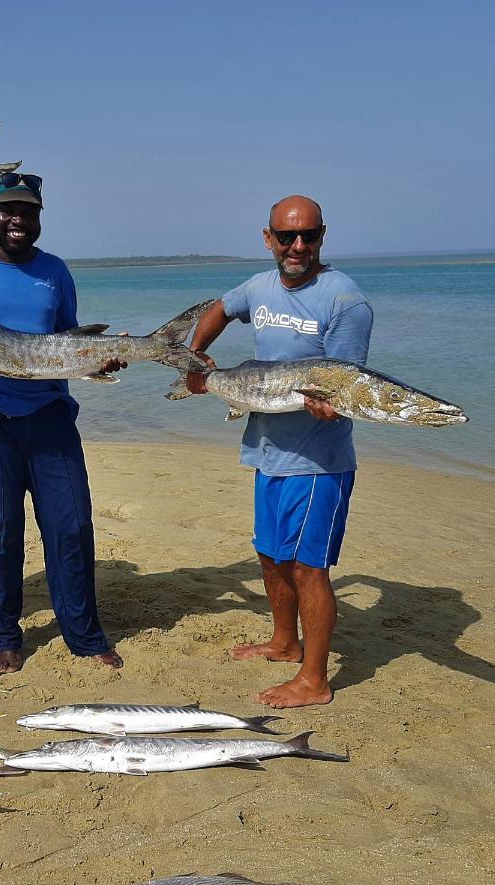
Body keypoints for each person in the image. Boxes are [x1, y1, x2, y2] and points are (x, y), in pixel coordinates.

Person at [0, 173, 123, 673]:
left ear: (40, 216)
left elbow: (65, 341)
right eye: (7, 210)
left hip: (49, 417)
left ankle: (83, 634)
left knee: (71, 525)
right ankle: (4, 635)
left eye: (28, 211)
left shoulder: (54, 272)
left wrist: (94, 360)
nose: (18, 220)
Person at [186, 195, 373, 709]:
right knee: (270, 556)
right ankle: (285, 643)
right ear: (267, 238)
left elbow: (345, 383)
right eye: (286, 236)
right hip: (266, 450)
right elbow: (220, 310)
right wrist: (197, 357)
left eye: (308, 236)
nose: (297, 246)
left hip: (319, 461)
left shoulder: (344, 300)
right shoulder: (260, 288)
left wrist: (330, 403)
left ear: (322, 237)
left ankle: (315, 680)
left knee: (308, 568)